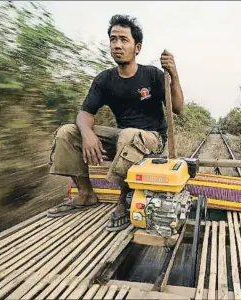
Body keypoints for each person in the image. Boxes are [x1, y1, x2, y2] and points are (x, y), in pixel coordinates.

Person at [46, 14, 184, 232]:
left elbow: (177, 108)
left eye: (123, 40)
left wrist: (174, 75)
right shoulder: (105, 79)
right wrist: (87, 134)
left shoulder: (153, 75)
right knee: (68, 132)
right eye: (113, 39)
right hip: (123, 138)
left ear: (137, 47)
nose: (117, 45)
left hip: (153, 140)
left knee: (127, 135)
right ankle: (85, 194)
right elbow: (84, 114)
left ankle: (124, 198)